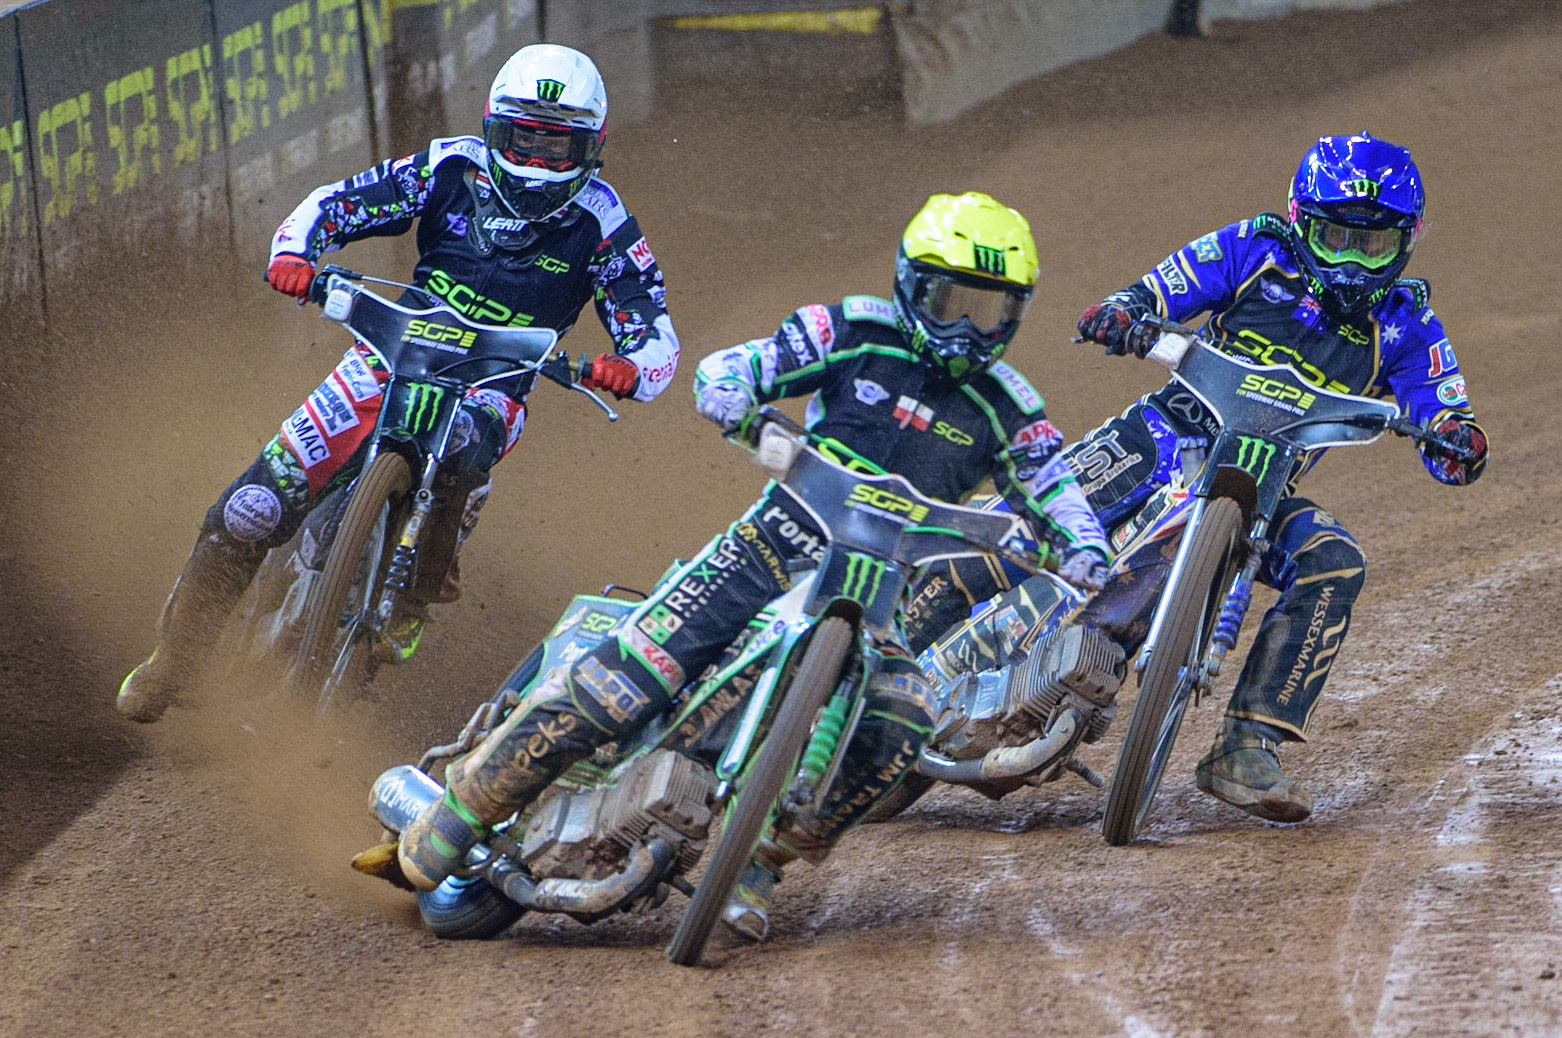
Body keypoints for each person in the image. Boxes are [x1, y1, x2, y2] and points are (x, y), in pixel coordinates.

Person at [390, 191, 1113, 941]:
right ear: (909, 283)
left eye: (989, 311)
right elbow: (740, 367)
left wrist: (1082, 548)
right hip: (769, 546)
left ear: (1016, 316)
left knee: (902, 725)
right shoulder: (853, 329)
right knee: (628, 679)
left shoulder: (1008, 407)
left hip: (878, 599)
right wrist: (737, 397)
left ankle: (762, 861)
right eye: (951, 299)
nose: (966, 325)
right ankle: (457, 812)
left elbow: (1054, 483)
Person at [916, 132, 1488, 824]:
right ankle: (887, 649)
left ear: (1407, 240)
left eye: (1370, 245)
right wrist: (1124, 312)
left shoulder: (1406, 322)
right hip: (1156, 439)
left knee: (1332, 561)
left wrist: (1456, 439)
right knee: (1016, 525)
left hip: (1262, 488)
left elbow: (1445, 414)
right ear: (1302, 220)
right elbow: (1163, 287)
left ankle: (1246, 745)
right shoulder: (1256, 248)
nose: (1350, 259)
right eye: (1335, 236)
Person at [117, 44, 680, 723]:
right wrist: (297, 255)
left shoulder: (605, 224)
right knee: (253, 510)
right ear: (493, 128)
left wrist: (628, 368)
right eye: (523, 139)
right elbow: (336, 202)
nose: (536, 162)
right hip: (388, 357)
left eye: (557, 146)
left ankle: (413, 594)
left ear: (592, 147)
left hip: (494, 384)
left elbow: (655, 336)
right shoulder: (449, 166)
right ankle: (174, 661)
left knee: (469, 445)